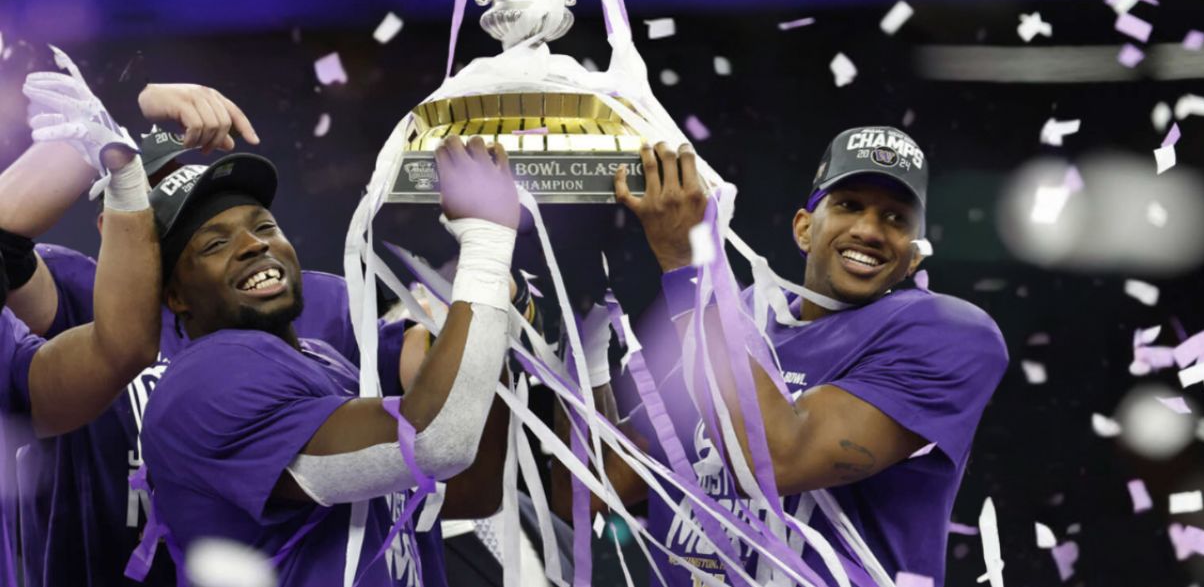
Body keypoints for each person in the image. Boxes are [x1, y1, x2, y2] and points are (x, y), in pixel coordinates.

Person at [569, 127, 1008, 585]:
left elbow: (772, 462)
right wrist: (581, 335)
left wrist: (689, 261)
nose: (869, 230)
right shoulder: (737, 318)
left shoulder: (947, 334)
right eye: (849, 205)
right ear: (803, 228)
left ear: (914, 257)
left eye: (896, 218)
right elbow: (585, 490)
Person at [139, 135, 519, 585]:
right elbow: (435, 442)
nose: (253, 244)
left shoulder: (325, 360)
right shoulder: (205, 381)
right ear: (176, 297)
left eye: (264, 227)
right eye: (214, 244)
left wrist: (493, 316)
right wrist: (486, 249)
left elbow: (472, 490)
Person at [0, 62, 271, 586]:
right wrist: (126, 109)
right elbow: (4, 247)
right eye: (153, 192)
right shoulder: (84, 295)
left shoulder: (290, 311)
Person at [0, 67, 168, 587]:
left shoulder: (311, 314)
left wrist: (113, 144)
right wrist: (112, 125)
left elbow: (124, 349)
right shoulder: (83, 291)